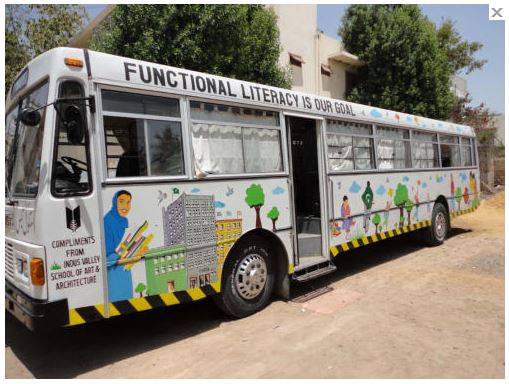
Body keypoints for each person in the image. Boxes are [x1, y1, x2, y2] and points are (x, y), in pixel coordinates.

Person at [104, 190, 146, 302]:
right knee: (117, 300)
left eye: (128, 202)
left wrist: (137, 250)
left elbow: (126, 244)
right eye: (121, 201)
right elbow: (107, 254)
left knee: (127, 300)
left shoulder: (124, 221)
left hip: (125, 267)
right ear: (114, 202)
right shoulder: (107, 220)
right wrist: (123, 253)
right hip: (113, 270)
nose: (125, 206)